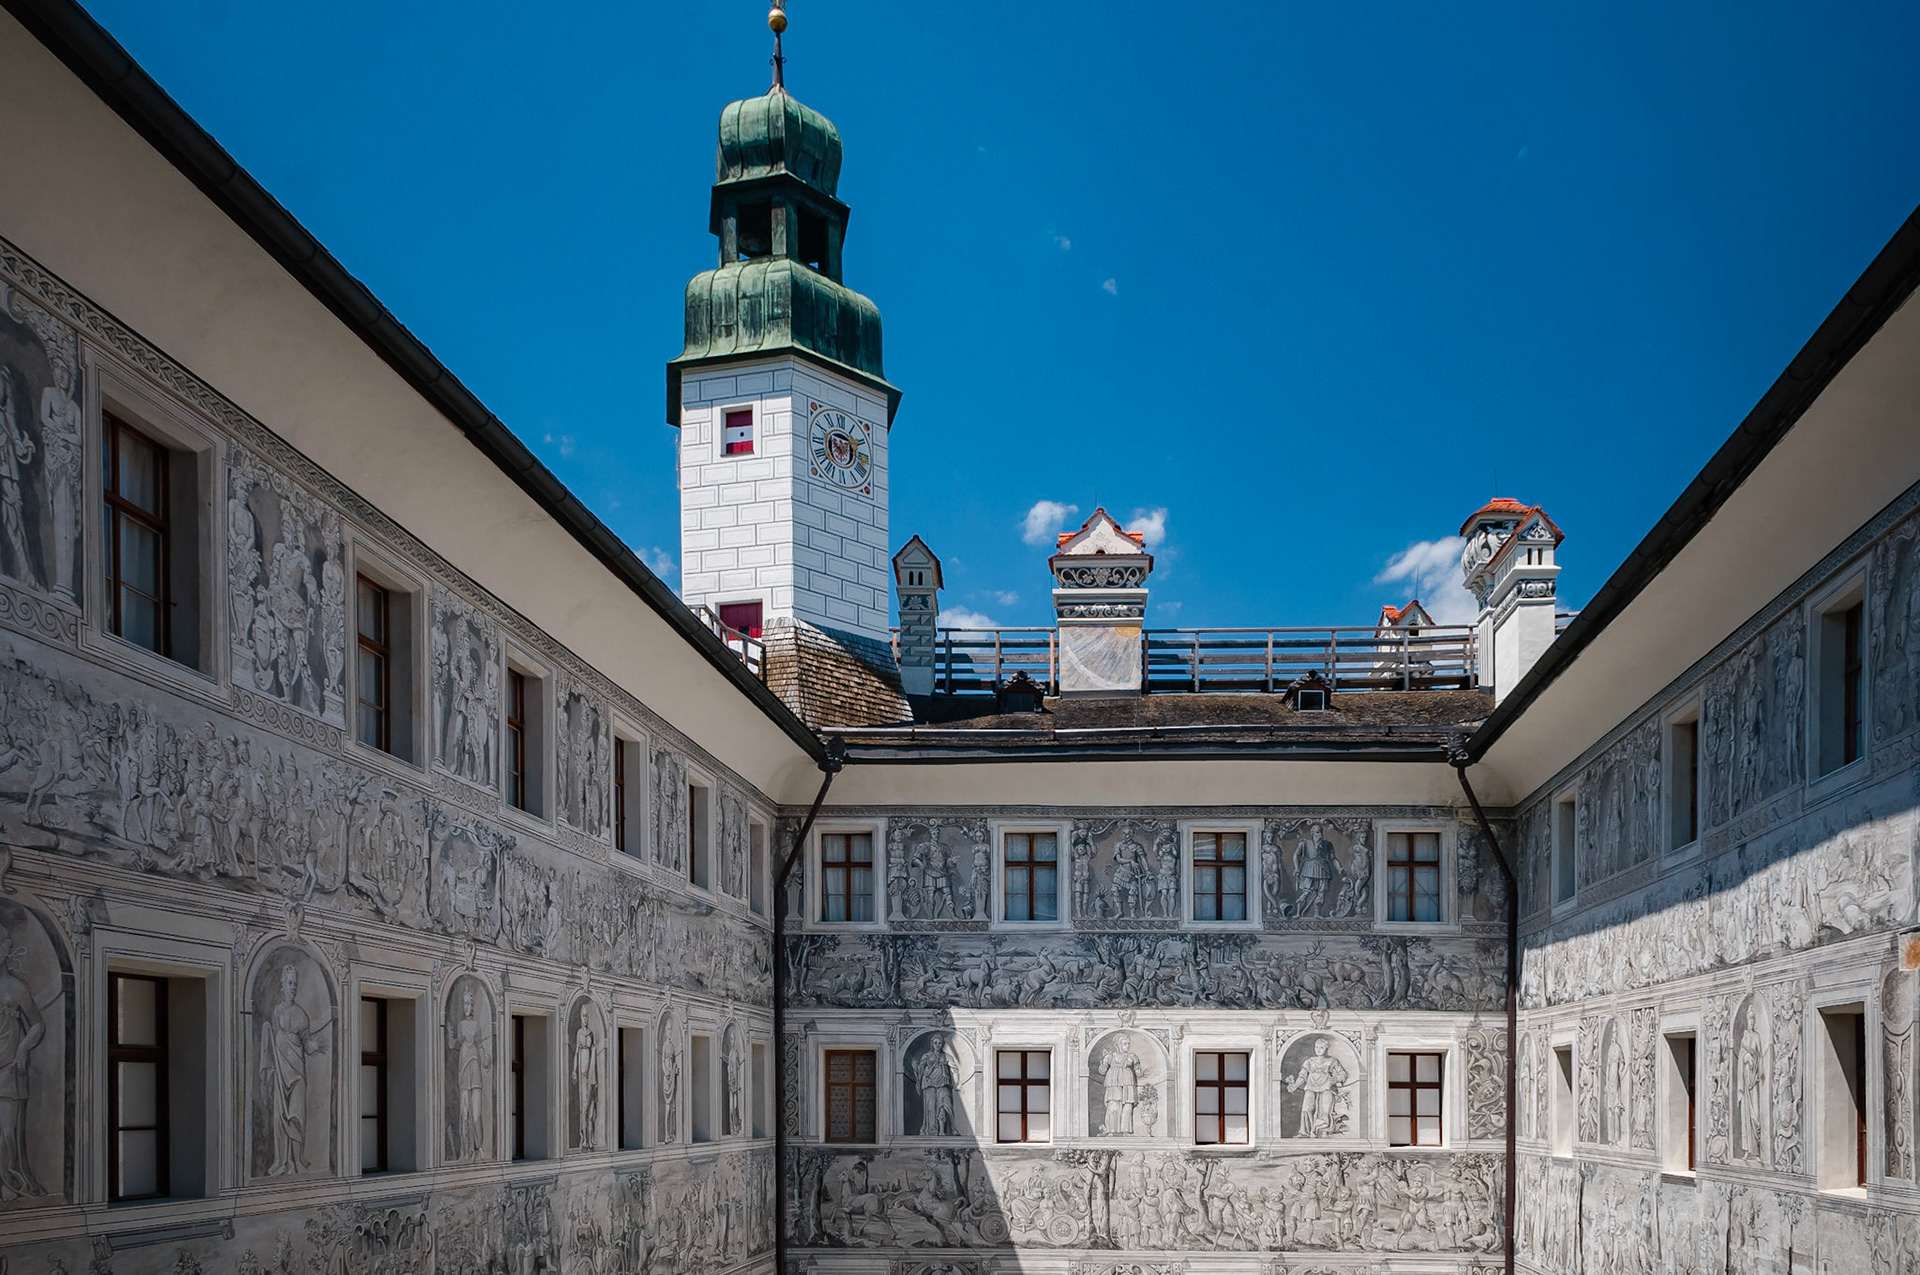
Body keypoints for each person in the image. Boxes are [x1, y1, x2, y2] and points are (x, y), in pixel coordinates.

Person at [260, 962, 324, 1175]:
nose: (293, 986)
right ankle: (282, 1161)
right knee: (279, 1119)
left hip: (297, 1072)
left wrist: (313, 1046)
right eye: (289, 982)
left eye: (295, 983)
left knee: (296, 1116)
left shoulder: (301, 1014)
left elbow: (307, 1043)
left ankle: (297, 1160)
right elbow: (271, 1038)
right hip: (280, 1071)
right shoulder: (276, 1011)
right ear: (282, 985)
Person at [0, 922, 46, 1199]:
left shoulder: (16, 988)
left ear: (6, 948)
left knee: (6, 1133)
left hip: (9, 1068)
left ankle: (11, 1181)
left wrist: (22, 1050)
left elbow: (38, 1025)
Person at [1285, 1036, 1349, 1137]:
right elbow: (1302, 1075)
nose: (1318, 1050)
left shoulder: (1333, 1060)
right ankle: (1305, 1132)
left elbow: (1343, 1073)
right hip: (1311, 1086)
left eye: (1321, 1047)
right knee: (1307, 1108)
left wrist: (1337, 1079)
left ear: (1326, 1049)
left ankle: (1323, 1131)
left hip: (1327, 1086)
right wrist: (1295, 1086)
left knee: (1325, 1109)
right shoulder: (1309, 1061)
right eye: (1317, 1047)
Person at [1098, 1035, 1140, 1135]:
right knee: (1113, 1105)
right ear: (1118, 1045)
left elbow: (1138, 1070)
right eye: (1125, 1044)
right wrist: (1102, 1066)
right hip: (1113, 1081)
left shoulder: (1132, 1056)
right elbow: (1102, 1070)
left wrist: (1139, 1072)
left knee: (1128, 1105)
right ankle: (1112, 1130)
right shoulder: (1109, 1056)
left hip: (1128, 1081)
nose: (1127, 1046)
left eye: (1128, 1044)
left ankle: (1125, 1130)